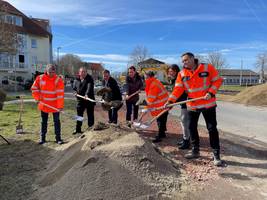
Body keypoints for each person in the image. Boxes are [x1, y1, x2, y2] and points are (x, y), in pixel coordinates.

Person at [166, 52, 223, 166]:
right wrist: (170, 101)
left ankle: (216, 155)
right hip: (192, 105)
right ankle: (195, 151)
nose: (184, 63)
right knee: (191, 128)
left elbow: (218, 80)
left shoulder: (207, 67)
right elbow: (178, 89)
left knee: (212, 129)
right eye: (183, 61)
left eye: (186, 60)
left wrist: (211, 92)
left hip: (208, 104)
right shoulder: (182, 73)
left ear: (192, 59)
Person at [31, 64, 64, 145]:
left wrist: (60, 106)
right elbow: (34, 89)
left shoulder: (58, 80)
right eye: (50, 72)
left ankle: (58, 138)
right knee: (43, 121)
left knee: (56, 121)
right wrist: (37, 99)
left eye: (53, 72)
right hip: (44, 105)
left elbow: (60, 94)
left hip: (55, 105)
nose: (52, 74)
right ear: (46, 71)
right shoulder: (40, 78)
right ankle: (42, 138)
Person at [167, 64, 190, 149]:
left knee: (184, 121)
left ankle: (187, 141)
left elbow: (179, 93)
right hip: (183, 103)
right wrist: (171, 103)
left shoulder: (179, 79)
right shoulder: (173, 80)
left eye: (172, 71)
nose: (170, 73)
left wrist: (171, 102)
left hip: (187, 103)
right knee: (184, 121)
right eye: (169, 71)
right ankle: (186, 139)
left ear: (176, 71)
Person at [145, 71, 169, 143]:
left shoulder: (153, 84)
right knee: (163, 119)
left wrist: (145, 107)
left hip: (161, 105)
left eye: (145, 77)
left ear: (148, 77)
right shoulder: (155, 81)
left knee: (160, 120)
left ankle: (160, 136)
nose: (144, 78)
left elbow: (151, 98)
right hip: (164, 103)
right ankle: (162, 133)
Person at [72, 67, 95, 134]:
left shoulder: (89, 79)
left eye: (84, 72)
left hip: (89, 100)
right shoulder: (76, 79)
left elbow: (89, 87)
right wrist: (75, 92)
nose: (83, 73)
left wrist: (87, 94)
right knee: (79, 116)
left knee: (90, 115)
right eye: (82, 72)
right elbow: (74, 88)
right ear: (79, 73)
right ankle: (78, 129)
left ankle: (91, 129)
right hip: (80, 100)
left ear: (86, 72)